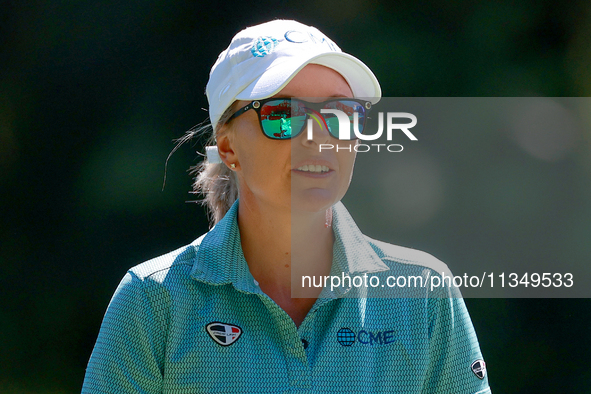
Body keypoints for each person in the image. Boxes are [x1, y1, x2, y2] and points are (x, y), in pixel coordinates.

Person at [82, 19, 491, 393]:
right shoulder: (153, 301)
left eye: (340, 113)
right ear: (228, 147)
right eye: (282, 115)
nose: (317, 136)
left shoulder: (424, 296)